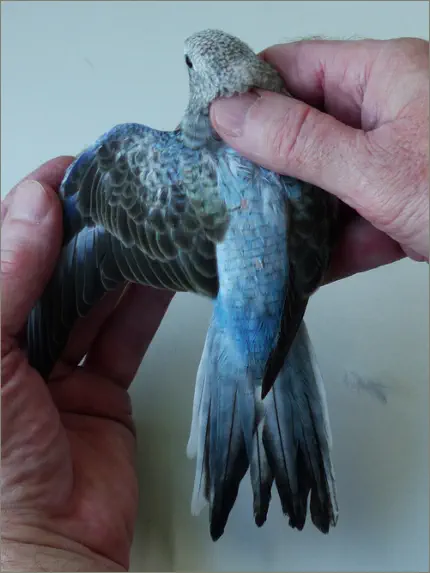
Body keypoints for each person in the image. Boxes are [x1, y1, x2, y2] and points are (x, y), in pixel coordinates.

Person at [1, 37, 428, 571]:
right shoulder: (307, 157)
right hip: (286, 291)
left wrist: (33, 538)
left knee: (88, 177)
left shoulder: (135, 164)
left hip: (243, 301)